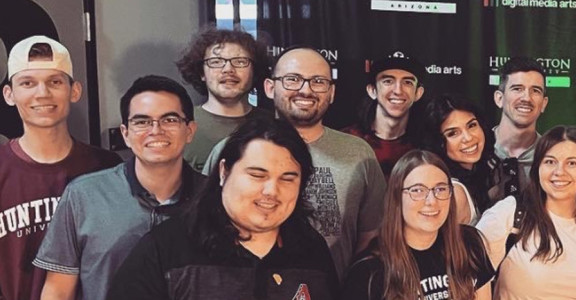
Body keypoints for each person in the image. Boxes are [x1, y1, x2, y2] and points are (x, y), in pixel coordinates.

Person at [202, 46, 387, 279]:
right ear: (270, 87)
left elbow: (371, 235)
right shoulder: (233, 149)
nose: (305, 90)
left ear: (331, 92)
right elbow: (205, 221)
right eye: (292, 79)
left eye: (318, 81)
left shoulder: (359, 153)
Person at [107, 117, 337, 299]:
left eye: (287, 179)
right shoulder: (167, 249)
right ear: (224, 171)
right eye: (257, 175)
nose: (271, 191)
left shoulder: (311, 249)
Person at [34, 76, 206, 300]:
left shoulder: (215, 198)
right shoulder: (84, 196)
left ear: (190, 130)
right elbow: (57, 290)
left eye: (170, 119)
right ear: (125, 133)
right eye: (142, 122)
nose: (156, 130)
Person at [1, 35, 122, 300]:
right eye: (28, 83)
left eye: (55, 82)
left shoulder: (107, 168)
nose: (42, 93)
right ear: (9, 94)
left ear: (74, 90)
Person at [475, 126, 576, 299]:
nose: (559, 172)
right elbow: (468, 275)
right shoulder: (511, 214)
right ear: (538, 168)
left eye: (572, 163)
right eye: (550, 161)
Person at [342, 150, 494, 300]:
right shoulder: (368, 270)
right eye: (417, 190)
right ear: (396, 198)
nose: (431, 201)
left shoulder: (469, 243)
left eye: (440, 189)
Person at [175, 28, 272, 172]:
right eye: (216, 61)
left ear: (255, 71)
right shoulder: (181, 123)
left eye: (240, 62)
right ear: (202, 72)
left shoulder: (274, 124)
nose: (228, 69)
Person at [341, 51, 427, 175]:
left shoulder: (426, 145)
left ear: (418, 93)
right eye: (388, 81)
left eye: (407, 82)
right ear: (372, 90)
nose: (398, 90)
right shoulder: (347, 140)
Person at [422, 95, 495, 223]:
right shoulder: (454, 193)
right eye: (453, 133)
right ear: (438, 143)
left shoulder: (480, 173)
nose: (468, 138)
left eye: (471, 125)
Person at [488, 57, 547, 202]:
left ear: (544, 103)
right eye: (517, 89)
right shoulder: (475, 151)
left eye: (535, 91)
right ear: (499, 99)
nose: (526, 97)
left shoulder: (551, 155)